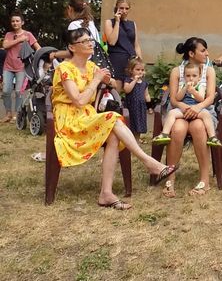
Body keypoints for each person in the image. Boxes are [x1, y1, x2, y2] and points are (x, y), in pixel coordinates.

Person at [52, 28, 177, 210]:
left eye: (90, 40)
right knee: (113, 118)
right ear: (72, 47)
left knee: (113, 134)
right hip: (69, 121)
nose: (90, 44)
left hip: (87, 117)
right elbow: (78, 101)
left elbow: (116, 86)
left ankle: (106, 193)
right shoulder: (64, 69)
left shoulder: (91, 66)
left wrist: (109, 80)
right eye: (84, 41)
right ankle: (149, 163)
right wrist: (96, 80)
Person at [163, 37, 218, 198]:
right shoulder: (176, 71)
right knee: (178, 129)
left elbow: (210, 98)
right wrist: (185, 107)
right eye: (203, 50)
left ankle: (204, 181)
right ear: (191, 53)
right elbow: (173, 99)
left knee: (198, 127)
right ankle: (170, 178)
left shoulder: (209, 71)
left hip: (203, 112)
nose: (207, 53)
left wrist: (197, 108)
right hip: (179, 111)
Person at [152, 62, 221, 147]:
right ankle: (164, 134)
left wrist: (194, 92)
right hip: (184, 109)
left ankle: (212, 137)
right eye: (188, 76)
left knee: (206, 115)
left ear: (199, 77)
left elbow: (201, 99)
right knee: (171, 113)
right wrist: (184, 89)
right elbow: (178, 98)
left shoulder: (200, 86)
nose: (191, 78)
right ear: (184, 77)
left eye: (194, 76)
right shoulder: (183, 86)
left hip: (197, 110)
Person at [2, 13, 41, 122]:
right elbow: (5, 46)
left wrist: (41, 57)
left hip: (22, 67)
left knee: (19, 91)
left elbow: (38, 47)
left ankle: (17, 114)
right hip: (8, 67)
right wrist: (19, 40)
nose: (15, 23)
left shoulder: (28, 34)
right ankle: (8, 114)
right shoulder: (8, 34)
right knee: (6, 91)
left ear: (22, 22)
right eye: (13, 21)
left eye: (17, 21)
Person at [104, 0, 142, 92]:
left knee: (133, 91)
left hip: (131, 60)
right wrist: (117, 22)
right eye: (121, 8)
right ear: (116, 8)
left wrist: (140, 62)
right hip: (117, 60)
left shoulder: (132, 24)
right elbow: (112, 41)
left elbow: (136, 45)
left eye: (126, 8)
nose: (124, 11)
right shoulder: (109, 22)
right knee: (116, 90)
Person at [123, 56, 151, 143]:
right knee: (131, 125)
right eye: (137, 70)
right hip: (131, 107)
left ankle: (136, 142)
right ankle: (129, 142)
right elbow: (127, 90)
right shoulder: (128, 80)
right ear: (131, 70)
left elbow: (146, 95)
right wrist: (134, 81)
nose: (140, 72)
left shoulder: (144, 83)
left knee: (139, 126)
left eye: (142, 70)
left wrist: (149, 106)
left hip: (141, 107)